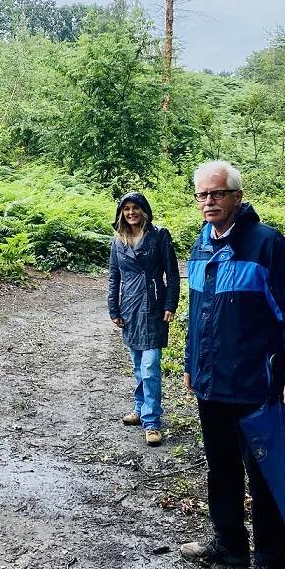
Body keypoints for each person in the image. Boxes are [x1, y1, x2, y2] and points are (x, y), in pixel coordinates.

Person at [179, 160, 285, 569]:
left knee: (263, 476)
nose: (208, 202)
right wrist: (190, 363)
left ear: (236, 196)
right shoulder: (201, 245)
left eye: (217, 194)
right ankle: (230, 545)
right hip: (212, 382)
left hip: (258, 385)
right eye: (201, 194)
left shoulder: (267, 245)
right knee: (220, 469)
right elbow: (198, 314)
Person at [107, 191, 179, 447]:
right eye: (126, 208)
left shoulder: (159, 235)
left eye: (135, 207)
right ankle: (140, 408)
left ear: (144, 210)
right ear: (121, 213)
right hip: (130, 307)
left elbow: (172, 273)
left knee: (150, 367)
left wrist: (171, 304)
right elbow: (114, 277)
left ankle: (152, 421)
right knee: (138, 366)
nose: (131, 213)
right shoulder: (118, 241)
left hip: (154, 306)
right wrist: (113, 309)